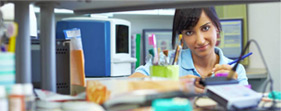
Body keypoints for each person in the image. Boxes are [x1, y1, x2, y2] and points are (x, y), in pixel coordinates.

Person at [130, 7, 248, 92]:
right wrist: (174, 85)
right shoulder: (166, 60)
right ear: (182, 36)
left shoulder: (235, 69)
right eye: (189, 32)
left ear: (217, 27)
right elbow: (131, 83)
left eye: (205, 28)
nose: (200, 40)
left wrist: (233, 87)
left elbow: (245, 104)